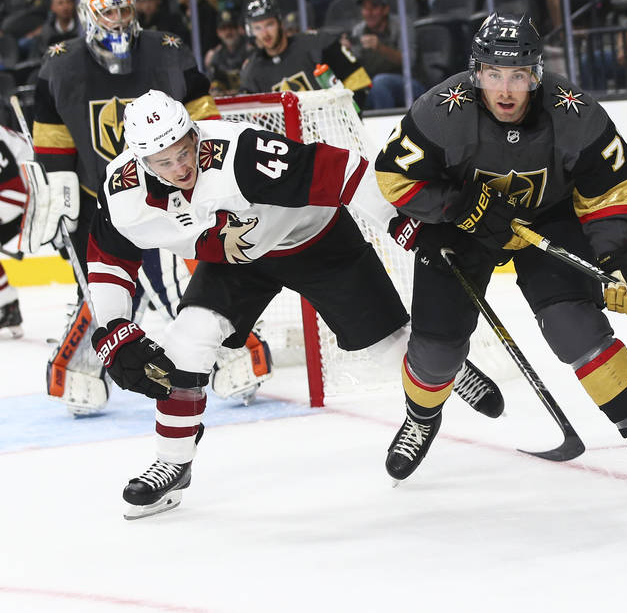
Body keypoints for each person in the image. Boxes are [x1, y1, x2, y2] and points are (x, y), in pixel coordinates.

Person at [87, 89, 502, 519]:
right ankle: (173, 462)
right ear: (140, 161)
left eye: (184, 151)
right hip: (238, 262)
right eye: (164, 162)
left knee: (388, 347)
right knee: (187, 339)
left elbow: (344, 169)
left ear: (194, 134)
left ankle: (443, 374)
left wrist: (403, 223)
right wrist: (113, 327)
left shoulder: (241, 153)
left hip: (315, 240)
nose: (181, 168)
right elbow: (107, 260)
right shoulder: (121, 192)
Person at [375, 12, 627, 500]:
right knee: (436, 351)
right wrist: (460, 207)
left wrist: (620, 258)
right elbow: (395, 178)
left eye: (517, 76)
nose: (505, 90)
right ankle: (421, 418)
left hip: (548, 218)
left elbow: (614, 190)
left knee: (574, 327)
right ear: (476, 72)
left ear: (536, 75)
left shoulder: (573, 112)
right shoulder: (441, 110)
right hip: (461, 223)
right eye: (493, 75)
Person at [22, 0, 266, 416]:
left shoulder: (166, 50)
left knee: (186, 280)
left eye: (124, 10)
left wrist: (213, 173)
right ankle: (77, 374)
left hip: (169, 189)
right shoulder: (61, 63)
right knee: (103, 292)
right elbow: (52, 135)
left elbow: (202, 115)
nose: (118, 20)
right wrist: (59, 188)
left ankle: (235, 356)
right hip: (99, 198)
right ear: (89, 16)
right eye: (108, 12)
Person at [239, 0, 371, 107]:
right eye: (257, 28)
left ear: (280, 23)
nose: (265, 34)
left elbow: (358, 82)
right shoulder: (251, 71)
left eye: (269, 24)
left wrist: (349, 115)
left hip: (334, 125)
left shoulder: (317, 44)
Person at [349, 0, 426, 109]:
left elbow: (408, 61)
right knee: (349, 89)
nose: (369, 13)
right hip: (373, 85)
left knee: (380, 82)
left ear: (385, 9)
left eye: (374, 7)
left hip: (409, 83)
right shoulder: (359, 30)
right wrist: (346, 51)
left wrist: (380, 47)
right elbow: (356, 66)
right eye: (365, 8)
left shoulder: (402, 25)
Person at [0, 124, 30, 340]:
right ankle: (7, 305)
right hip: (19, 194)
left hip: (25, 194)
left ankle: (6, 304)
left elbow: (15, 190)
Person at [205, 10, 251, 94]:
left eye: (231, 27)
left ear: (239, 29)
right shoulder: (215, 55)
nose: (228, 32)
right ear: (218, 32)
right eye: (223, 29)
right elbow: (211, 84)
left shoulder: (251, 51)